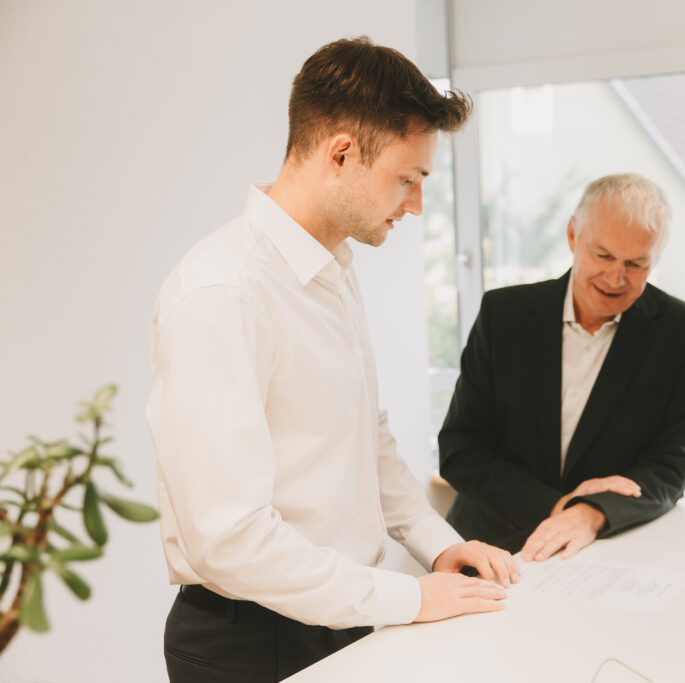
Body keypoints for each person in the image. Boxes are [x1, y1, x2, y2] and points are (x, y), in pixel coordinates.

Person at [147, 37, 517, 683]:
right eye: (407, 179)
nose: (415, 205)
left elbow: (366, 442)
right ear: (341, 152)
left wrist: (441, 545)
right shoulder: (223, 292)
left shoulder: (334, 272)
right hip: (248, 645)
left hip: (340, 618)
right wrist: (411, 598)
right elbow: (230, 539)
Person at [439, 173, 685, 563]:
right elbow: (460, 449)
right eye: (603, 255)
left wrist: (593, 512)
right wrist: (562, 508)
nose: (616, 279)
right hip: (489, 548)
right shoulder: (504, 316)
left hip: (602, 554)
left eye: (636, 264)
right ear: (572, 235)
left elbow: (675, 462)